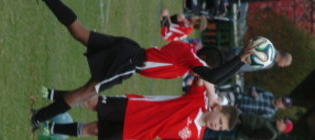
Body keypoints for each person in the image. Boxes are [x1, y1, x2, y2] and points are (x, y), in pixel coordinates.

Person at [32, 0, 254, 128]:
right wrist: (240, 59)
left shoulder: (187, 53)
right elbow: (211, 77)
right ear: (204, 62)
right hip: (129, 62)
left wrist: (213, 98)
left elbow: (209, 81)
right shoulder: (190, 60)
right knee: (85, 93)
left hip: (130, 48)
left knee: (80, 32)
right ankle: (38, 117)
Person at [37, 79, 240, 140]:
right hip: (135, 108)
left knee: (94, 130)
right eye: (220, 121)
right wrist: (212, 95)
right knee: (92, 103)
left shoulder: (195, 135)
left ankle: (51, 128)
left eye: (220, 128)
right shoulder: (199, 99)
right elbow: (202, 72)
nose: (216, 126)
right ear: (218, 109)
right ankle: (52, 94)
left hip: (137, 131)